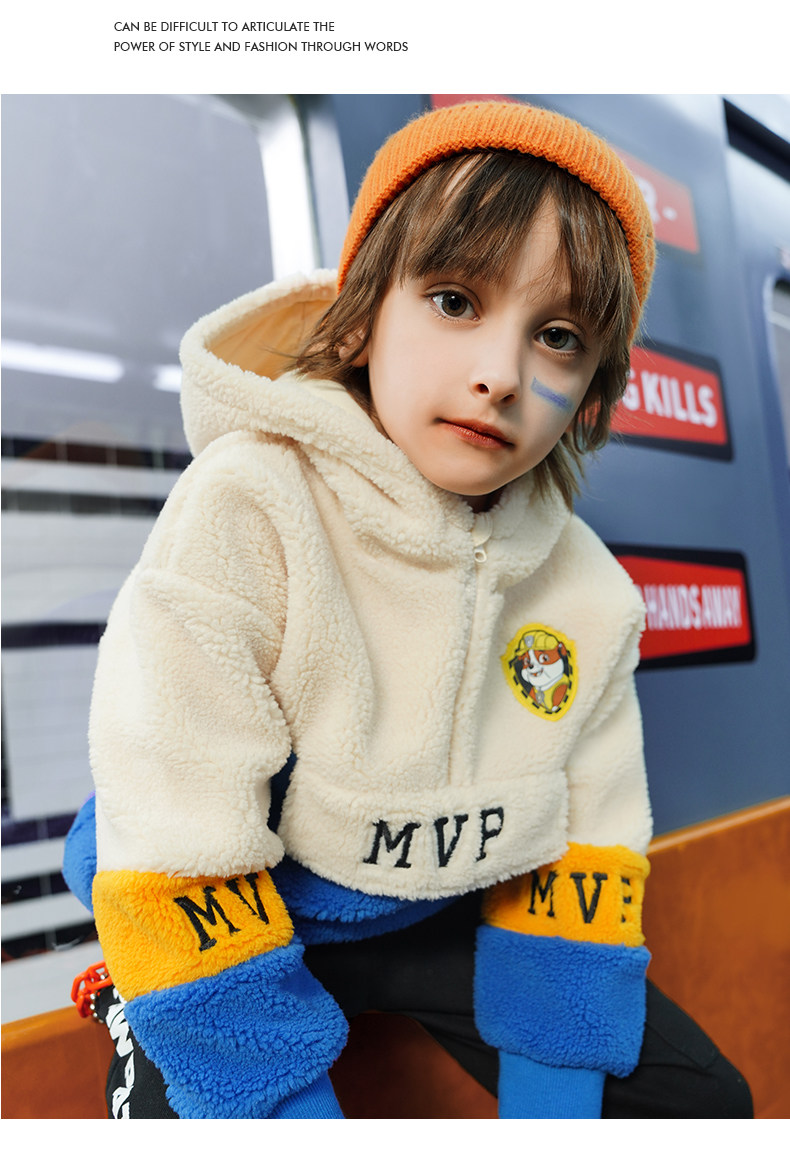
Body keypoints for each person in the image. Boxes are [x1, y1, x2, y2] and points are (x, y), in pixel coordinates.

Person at [63, 100, 752, 1119]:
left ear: (590, 393)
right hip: (223, 892)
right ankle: (135, 995)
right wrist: (280, 1099)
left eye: (557, 337)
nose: (500, 375)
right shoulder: (249, 502)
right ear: (359, 318)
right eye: (454, 300)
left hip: (424, 904)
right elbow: (175, 815)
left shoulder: (591, 592)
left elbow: (587, 846)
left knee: (702, 1103)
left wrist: (554, 1112)